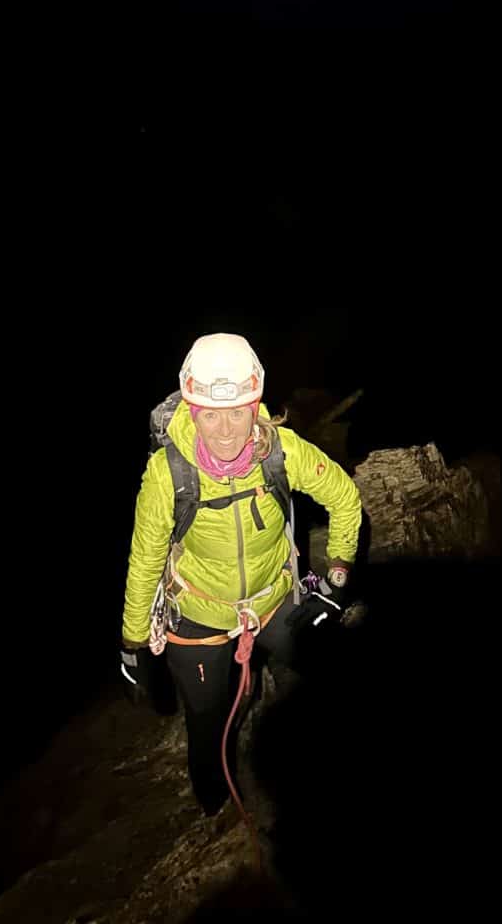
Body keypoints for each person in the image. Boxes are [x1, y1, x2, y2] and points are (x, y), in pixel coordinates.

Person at [120, 332, 362, 817]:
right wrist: (132, 643)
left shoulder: (281, 451)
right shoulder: (169, 474)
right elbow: (145, 558)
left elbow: (344, 498)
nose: (227, 430)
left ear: (256, 405)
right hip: (198, 615)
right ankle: (214, 806)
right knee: (207, 722)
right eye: (211, 414)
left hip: (274, 598)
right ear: (192, 410)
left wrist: (335, 583)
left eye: (237, 412)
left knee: (333, 672)